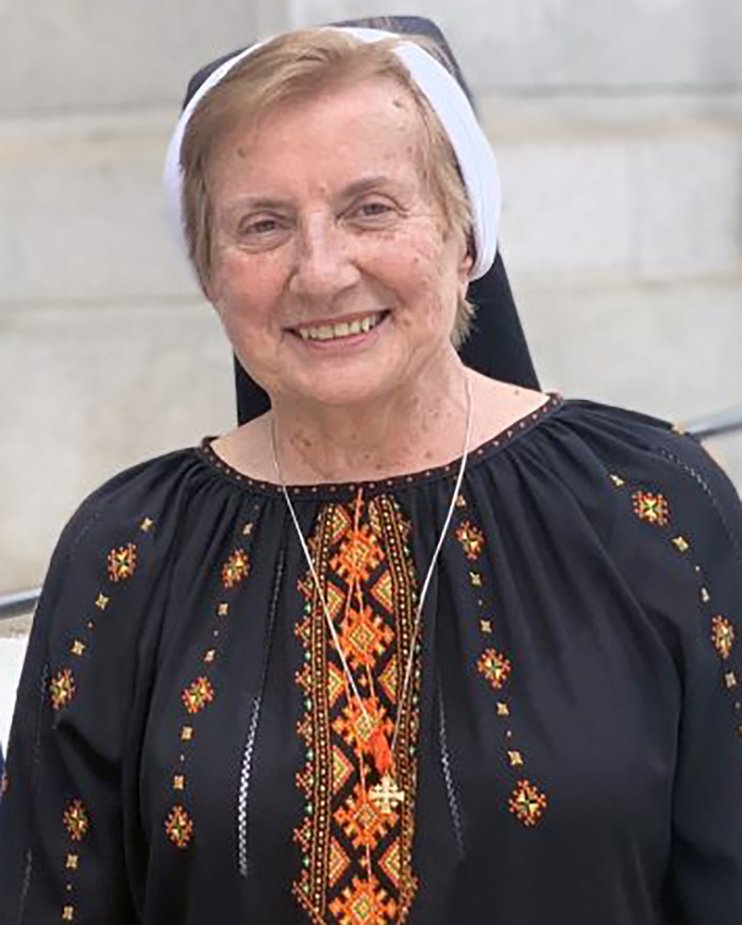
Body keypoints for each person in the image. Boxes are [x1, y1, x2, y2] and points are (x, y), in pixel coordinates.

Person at [1, 18, 741, 925]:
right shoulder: (128, 553)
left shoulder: (651, 505)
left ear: (467, 236)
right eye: (263, 225)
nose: (320, 270)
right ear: (209, 273)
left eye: (371, 208)